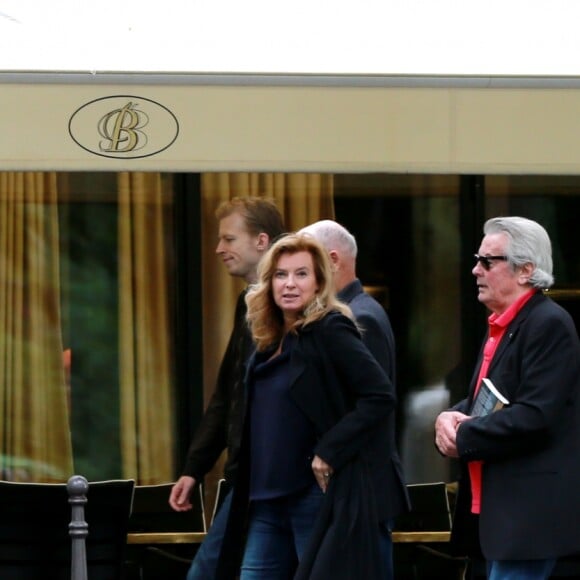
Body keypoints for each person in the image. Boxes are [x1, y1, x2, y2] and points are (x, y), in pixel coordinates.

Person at [215, 233, 406, 580]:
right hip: (264, 499)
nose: (289, 284)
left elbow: (379, 396)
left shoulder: (330, 328)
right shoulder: (268, 339)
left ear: (319, 282)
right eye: (280, 275)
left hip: (311, 498)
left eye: (301, 274)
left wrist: (329, 450)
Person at [434, 216, 580, 580]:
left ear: (525, 270)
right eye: (477, 259)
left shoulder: (548, 324)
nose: (475, 270)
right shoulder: (504, 323)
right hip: (498, 520)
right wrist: (449, 417)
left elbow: (535, 415)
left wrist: (463, 435)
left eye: (487, 261)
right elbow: (488, 401)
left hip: (527, 521)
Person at [168, 196, 285, 580]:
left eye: (229, 239)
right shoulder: (249, 302)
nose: (219, 249)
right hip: (249, 474)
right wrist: (194, 468)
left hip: (271, 477)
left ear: (262, 241)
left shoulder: (286, 308)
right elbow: (229, 392)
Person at [299, 219, 408, 578]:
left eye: (308, 263)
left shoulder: (360, 317)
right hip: (353, 483)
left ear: (332, 260)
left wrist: (327, 449)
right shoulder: (346, 314)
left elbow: (375, 401)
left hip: (364, 487)